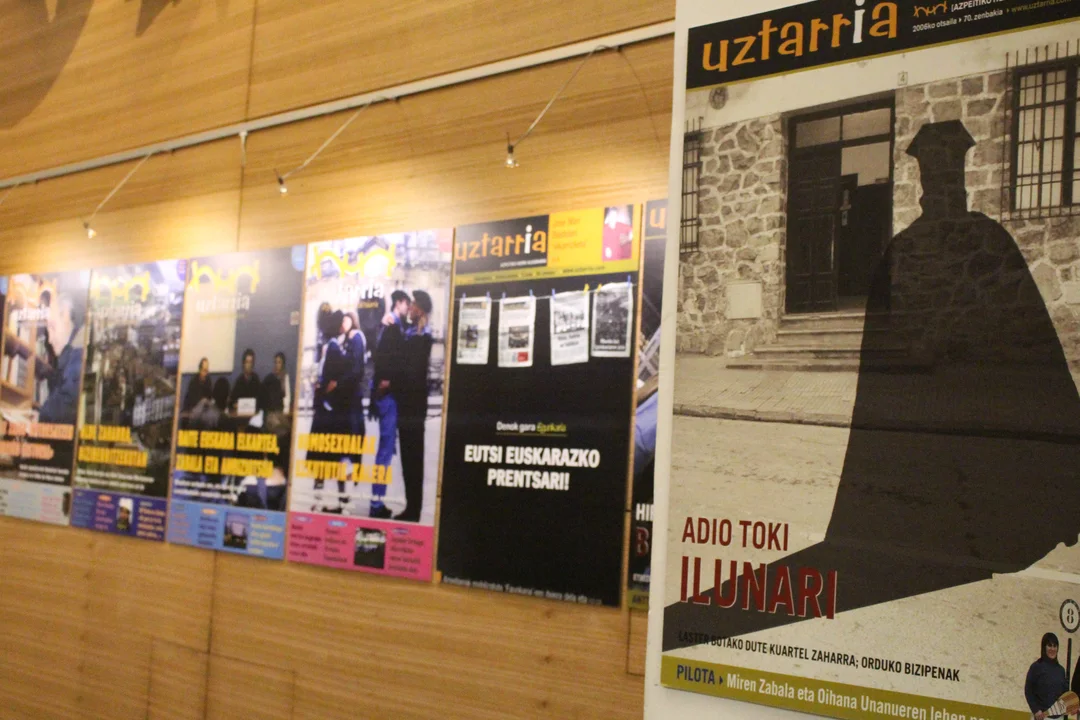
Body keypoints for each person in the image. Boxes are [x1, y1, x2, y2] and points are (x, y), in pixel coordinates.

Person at [369, 291, 410, 519]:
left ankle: (377, 501)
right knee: (384, 451)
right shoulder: (392, 327)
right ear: (398, 303)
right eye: (406, 304)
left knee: (385, 450)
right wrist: (387, 381)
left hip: (386, 395)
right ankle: (376, 504)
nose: (408, 308)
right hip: (388, 396)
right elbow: (385, 358)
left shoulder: (393, 325)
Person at [395, 290, 434, 522]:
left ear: (420, 309)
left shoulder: (423, 335)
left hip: (415, 403)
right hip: (406, 402)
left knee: (414, 456)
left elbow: (414, 370)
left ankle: (414, 509)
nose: (409, 308)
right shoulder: (410, 333)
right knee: (406, 456)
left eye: (413, 305)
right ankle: (410, 506)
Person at [309, 310, 350, 512]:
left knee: (325, 458)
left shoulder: (332, 349)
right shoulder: (332, 348)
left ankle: (328, 499)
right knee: (331, 458)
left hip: (327, 413)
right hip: (327, 412)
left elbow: (332, 380)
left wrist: (321, 389)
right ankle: (339, 499)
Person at [39, 287, 86, 425]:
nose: (49, 339)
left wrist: (38, 417)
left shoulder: (78, 352)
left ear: (65, 315)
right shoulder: (69, 356)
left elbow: (63, 406)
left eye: (52, 327)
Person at [343, 312, 367, 480]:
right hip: (348, 393)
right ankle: (352, 468)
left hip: (352, 391)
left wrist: (342, 382)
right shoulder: (346, 339)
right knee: (351, 430)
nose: (344, 323)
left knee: (355, 429)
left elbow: (357, 368)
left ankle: (355, 468)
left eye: (347, 320)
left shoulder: (356, 338)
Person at [1027, 633, 1068, 719]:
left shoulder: (1061, 670)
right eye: (1049, 645)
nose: (1052, 649)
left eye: (1055, 646)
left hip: (1058, 717)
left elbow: (1064, 693)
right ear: (1044, 647)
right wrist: (1036, 710)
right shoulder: (1036, 666)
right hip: (1041, 716)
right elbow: (1028, 690)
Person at [229, 348, 261, 414]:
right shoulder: (239, 381)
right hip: (241, 415)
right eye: (247, 362)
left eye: (251, 362)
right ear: (243, 364)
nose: (249, 365)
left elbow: (260, 400)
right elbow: (231, 402)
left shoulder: (256, 380)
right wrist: (235, 405)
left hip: (253, 415)